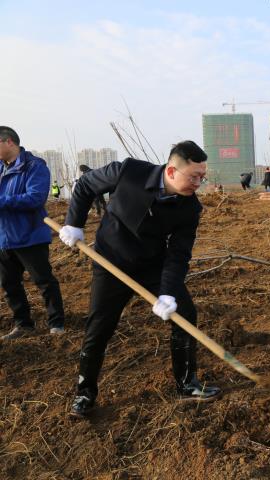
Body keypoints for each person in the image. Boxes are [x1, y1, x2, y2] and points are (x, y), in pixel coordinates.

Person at [58, 141, 221, 418]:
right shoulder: (129, 171)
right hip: (111, 262)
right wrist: (74, 223)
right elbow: (85, 185)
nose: (198, 183)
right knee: (99, 327)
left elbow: (179, 253)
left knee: (185, 313)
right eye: (194, 177)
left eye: (202, 177)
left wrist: (168, 292)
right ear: (171, 171)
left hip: (151, 266)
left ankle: (187, 383)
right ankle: (84, 393)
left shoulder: (189, 208)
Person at [0, 126, 66, 340]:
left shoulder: (34, 166)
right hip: (4, 238)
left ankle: (56, 323)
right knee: (10, 284)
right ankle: (23, 325)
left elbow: (35, 198)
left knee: (44, 281)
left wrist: (2, 201)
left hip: (30, 235)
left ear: (8, 142)